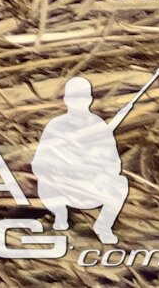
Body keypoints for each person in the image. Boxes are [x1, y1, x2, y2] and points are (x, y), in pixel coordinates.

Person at [34, 76, 131, 243]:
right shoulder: (56, 125)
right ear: (66, 100)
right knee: (43, 182)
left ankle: (103, 226)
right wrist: (62, 169)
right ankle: (60, 216)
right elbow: (39, 163)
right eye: (73, 97)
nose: (78, 102)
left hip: (90, 186)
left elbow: (114, 164)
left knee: (120, 184)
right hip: (62, 186)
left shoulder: (98, 126)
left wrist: (94, 167)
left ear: (90, 99)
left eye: (82, 97)